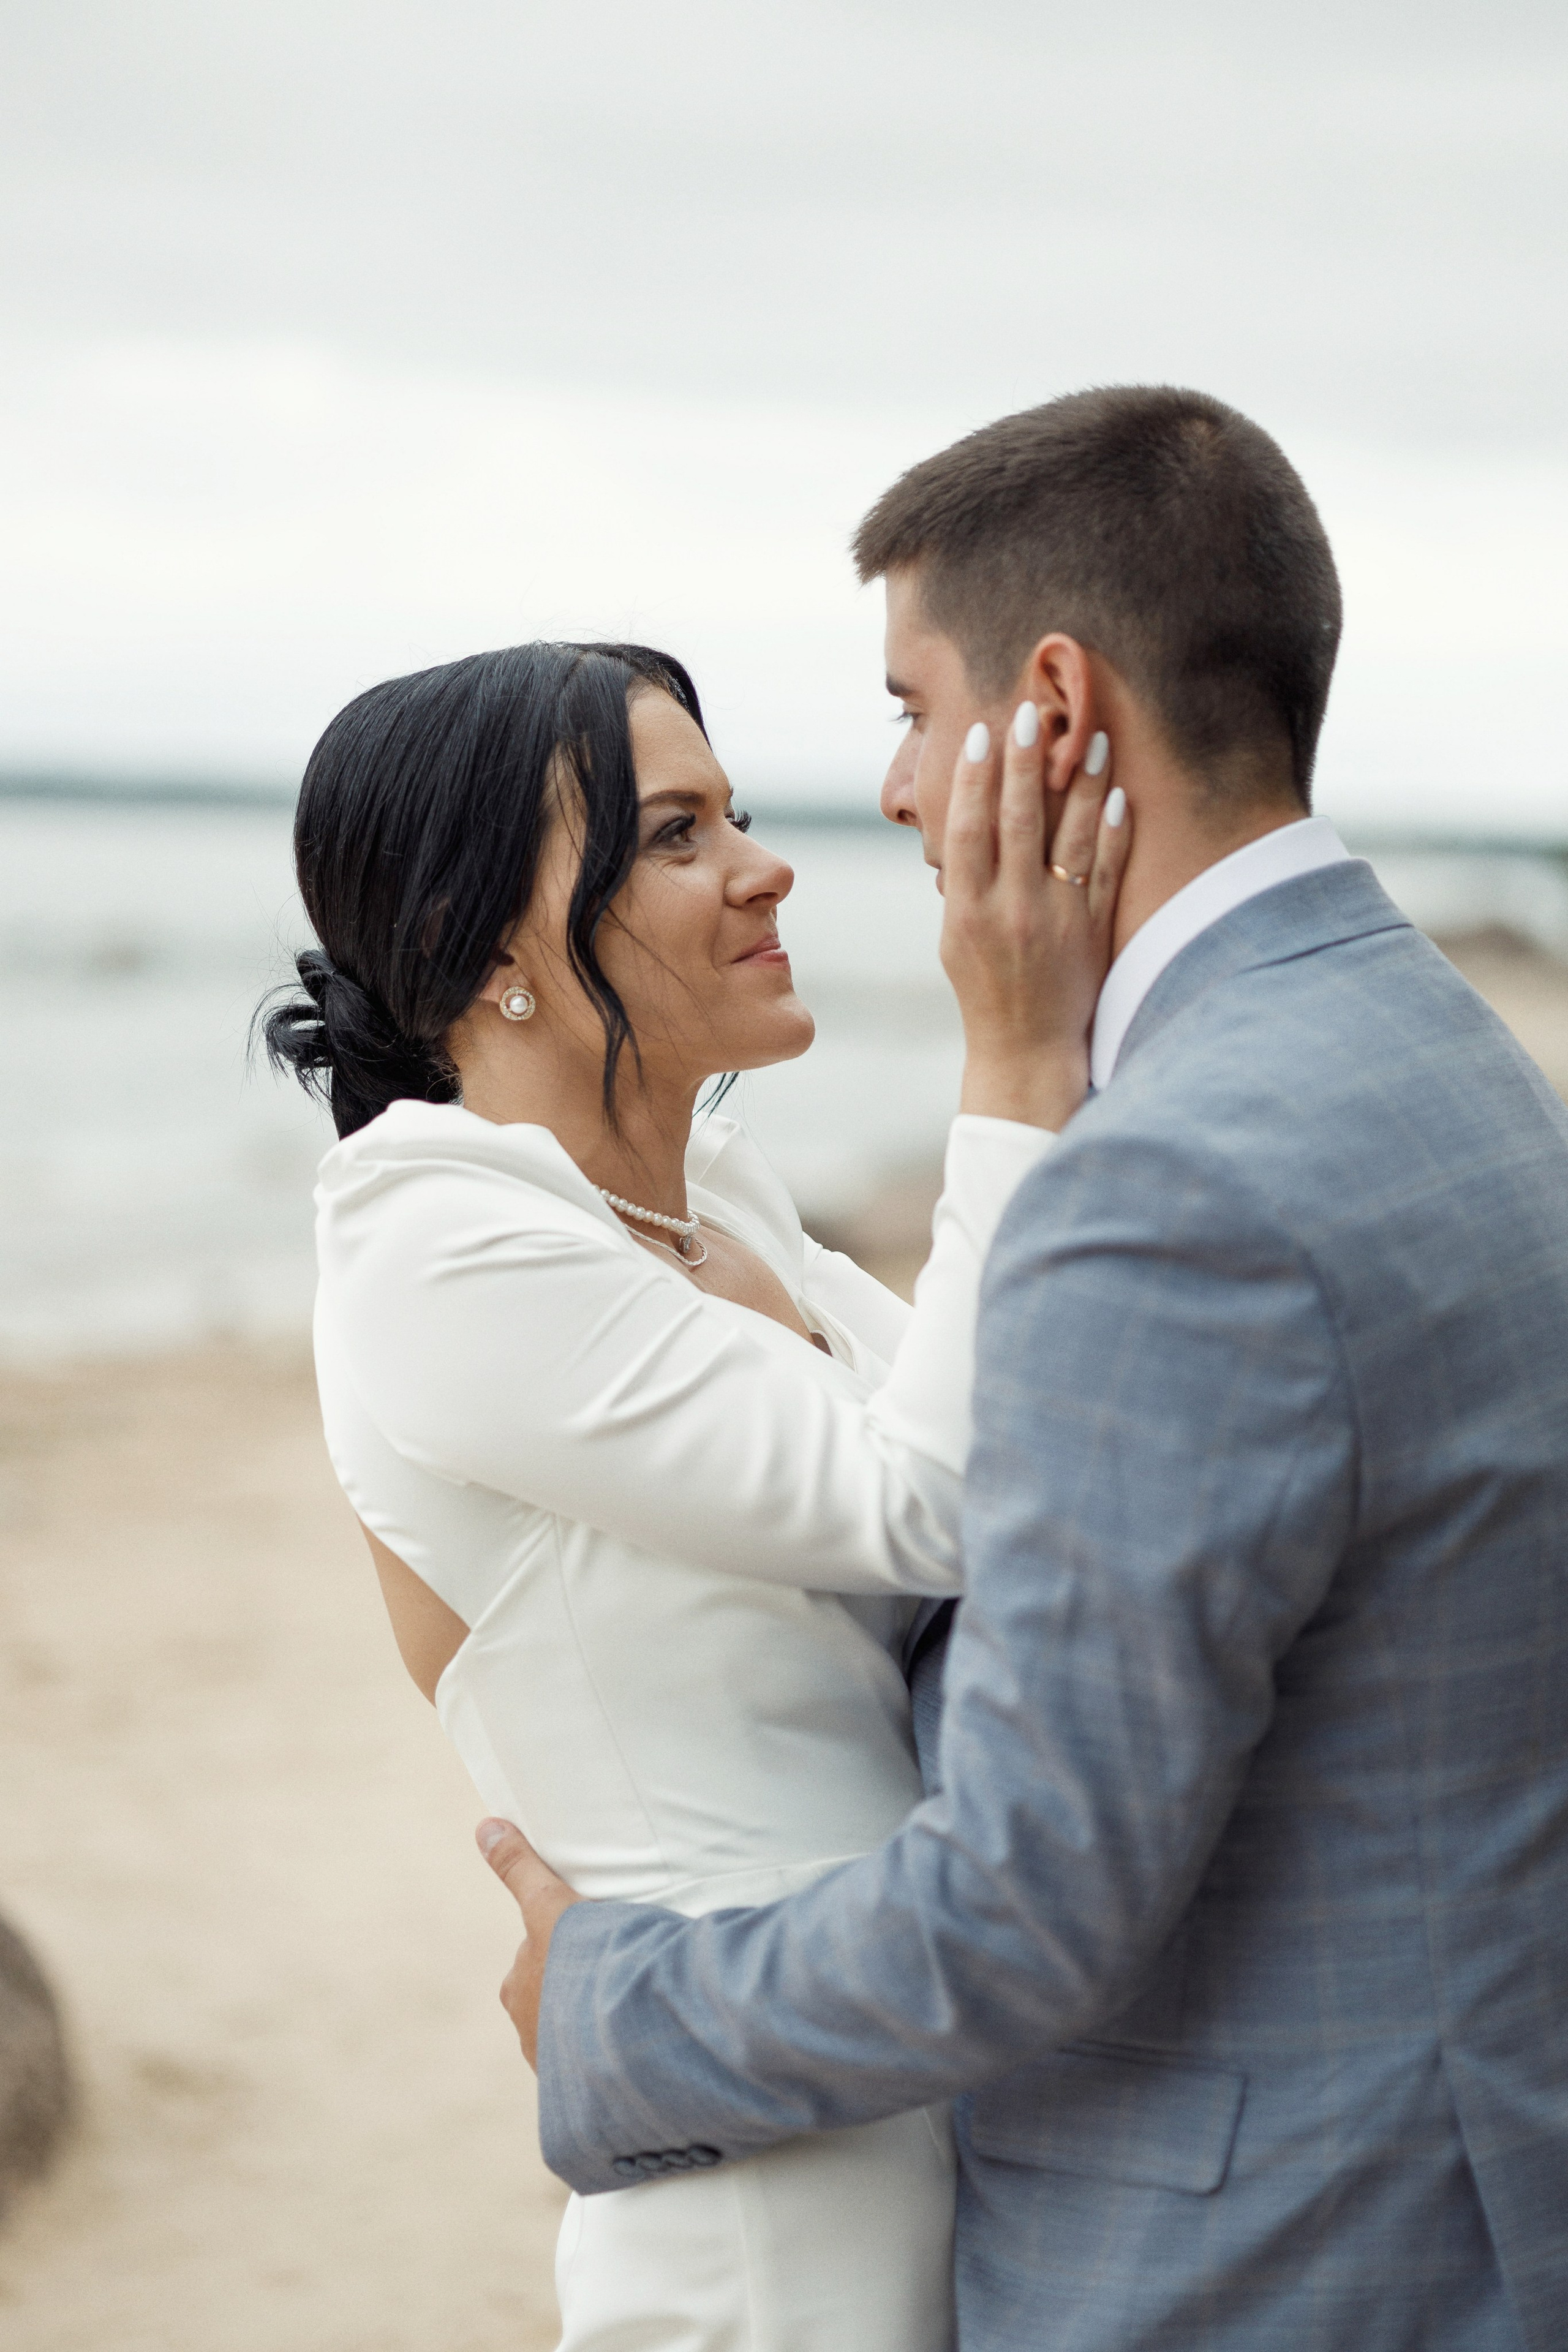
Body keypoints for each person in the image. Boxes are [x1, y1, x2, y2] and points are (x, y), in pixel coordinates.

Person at [481, 388, 1568, 2352]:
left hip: (1269, 2267)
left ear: (1054, 712)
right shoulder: (1450, 1054)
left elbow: (1024, 1910)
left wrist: (612, 2013)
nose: (894, 790)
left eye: (913, 709)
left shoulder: (1170, 1189)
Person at [263, 635, 1129, 2349]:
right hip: (767, 2202)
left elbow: (1050, 1456)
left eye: (733, 814)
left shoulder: (715, 1206)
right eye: (676, 834)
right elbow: (936, 1500)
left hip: (917, 2063)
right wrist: (1020, 1055)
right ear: (479, 939)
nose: (764, 865)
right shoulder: (432, 1245)